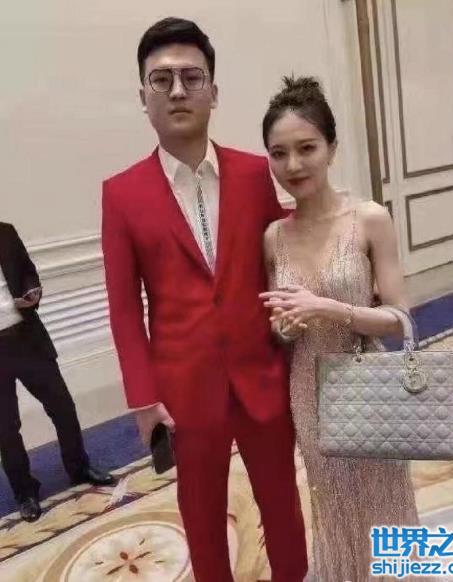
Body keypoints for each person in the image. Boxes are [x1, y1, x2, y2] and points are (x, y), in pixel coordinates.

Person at [101, 17, 307, 582]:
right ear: (143, 96)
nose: (177, 91)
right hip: (184, 391)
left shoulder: (254, 173)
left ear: (213, 92)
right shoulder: (121, 194)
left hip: (261, 374)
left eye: (191, 78)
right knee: (201, 514)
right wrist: (143, 397)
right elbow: (124, 308)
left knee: (282, 502)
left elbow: (284, 254)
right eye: (161, 79)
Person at [260, 77, 420, 581]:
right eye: (279, 153)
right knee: (333, 506)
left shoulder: (369, 219)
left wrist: (329, 308)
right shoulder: (274, 237)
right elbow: (281, 329)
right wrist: (286, 329)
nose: (293, 165)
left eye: (306, 148)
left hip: (367, 379)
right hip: (309, 390)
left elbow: (399, 319)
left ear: (331, 147)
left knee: (384, 496)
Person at [0, 222, 115, 522]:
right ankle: (25, 492)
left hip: (27, 337)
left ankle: (79, 467)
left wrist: (32, 291)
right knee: (5, 428)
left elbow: (28, 271)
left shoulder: (5, 232)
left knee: (62, 406)